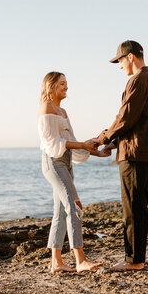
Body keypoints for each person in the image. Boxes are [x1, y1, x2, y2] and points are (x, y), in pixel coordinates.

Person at [96, 40, 148, 271]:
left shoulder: (138, 80)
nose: (119, 65)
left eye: (120, 60)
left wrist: (103, 137)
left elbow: (125, 117)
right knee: (139, 206)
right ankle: (137, 258)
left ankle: (133, 261)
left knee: (132, 207)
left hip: (135, 154)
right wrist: (116, 141)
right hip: (145, 150)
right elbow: (136, 120)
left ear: (131, 57)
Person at [38, 71, 110, 273]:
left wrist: (99, 151)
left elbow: (75, 146)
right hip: (53, 163)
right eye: (62, 83)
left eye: (66, 83)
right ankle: (80, 260)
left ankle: (56, 263)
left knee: (60, 212)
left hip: (66, 162)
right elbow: (52, 142)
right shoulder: (46, 108)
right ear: (51, 86)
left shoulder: (63, 112)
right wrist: (83, 144)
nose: (66, 87)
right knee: (75, 206)